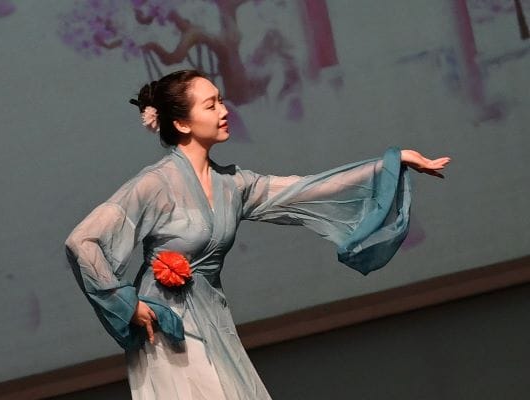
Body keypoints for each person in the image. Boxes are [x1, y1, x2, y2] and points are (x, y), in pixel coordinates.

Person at [64, 69, 450, 399]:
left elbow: (304, 189)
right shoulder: (156, 184)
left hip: (212, 319)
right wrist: (126, 303)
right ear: (181, 123)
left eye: (221, 101)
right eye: (211, 105)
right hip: (168, 329)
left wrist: (390, 164)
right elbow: (83, 241)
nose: (224, 111)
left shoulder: (233, 184)